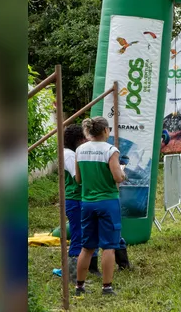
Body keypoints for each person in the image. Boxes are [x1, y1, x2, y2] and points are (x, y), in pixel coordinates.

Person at [74, 117, 126, 296]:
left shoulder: (80, 150)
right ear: (105, 131)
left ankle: (79, 286)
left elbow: (78, 179)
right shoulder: (111, 150)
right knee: (109, 246)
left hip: (87, 202)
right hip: (108, 202)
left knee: (87, 247)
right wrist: (123, 171)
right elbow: (118, 177)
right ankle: (106, 287)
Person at [60, 124, 99, 282]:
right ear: (77, 139)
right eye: (83, 138)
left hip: (83, 198)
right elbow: (78, 176)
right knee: (78, 235)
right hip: (75, 199)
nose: (86, 140)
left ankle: (92, 267)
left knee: (91, 232)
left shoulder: (74, 152)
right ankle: (72, 275)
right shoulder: (69, 154)